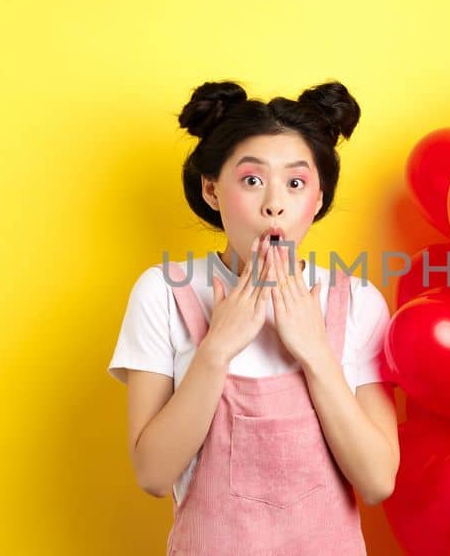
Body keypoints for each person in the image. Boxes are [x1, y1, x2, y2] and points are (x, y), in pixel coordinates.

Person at [107, 80, 399, 554]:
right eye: (251, 179)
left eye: (296, 182)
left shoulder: (359, 300)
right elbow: (154, 474)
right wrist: (217, 347)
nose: (274, 204)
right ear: (211, 190)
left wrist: (314, 351)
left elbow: (377, 481)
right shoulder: (163, 292)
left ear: (319, 197)